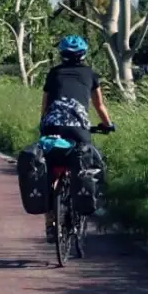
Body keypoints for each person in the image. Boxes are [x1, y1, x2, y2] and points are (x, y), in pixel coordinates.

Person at [39, 34, 115, 243]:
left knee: (51, 173)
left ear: (61, 54)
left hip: (51, 128)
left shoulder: (53, 74)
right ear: (83, 54)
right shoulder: (90, 74)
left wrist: (44, 127)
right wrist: (108, 125)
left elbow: (45, 107)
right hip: (78, 131)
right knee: (80, 165)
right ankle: (78, 201)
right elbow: (99, 105)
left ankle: (50, 224)